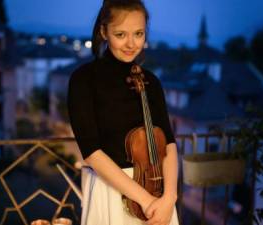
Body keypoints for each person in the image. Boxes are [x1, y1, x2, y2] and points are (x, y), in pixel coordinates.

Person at [67, 0, 179, 224]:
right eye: (120, 34)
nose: (131, 44)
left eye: (138, 34)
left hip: (159, 195)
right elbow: (92, 152)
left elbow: (168, 144)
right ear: (103, 31)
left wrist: (169, 198)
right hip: (111, 190)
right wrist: (146, 201)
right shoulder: (84, 79)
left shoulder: (151, 82)